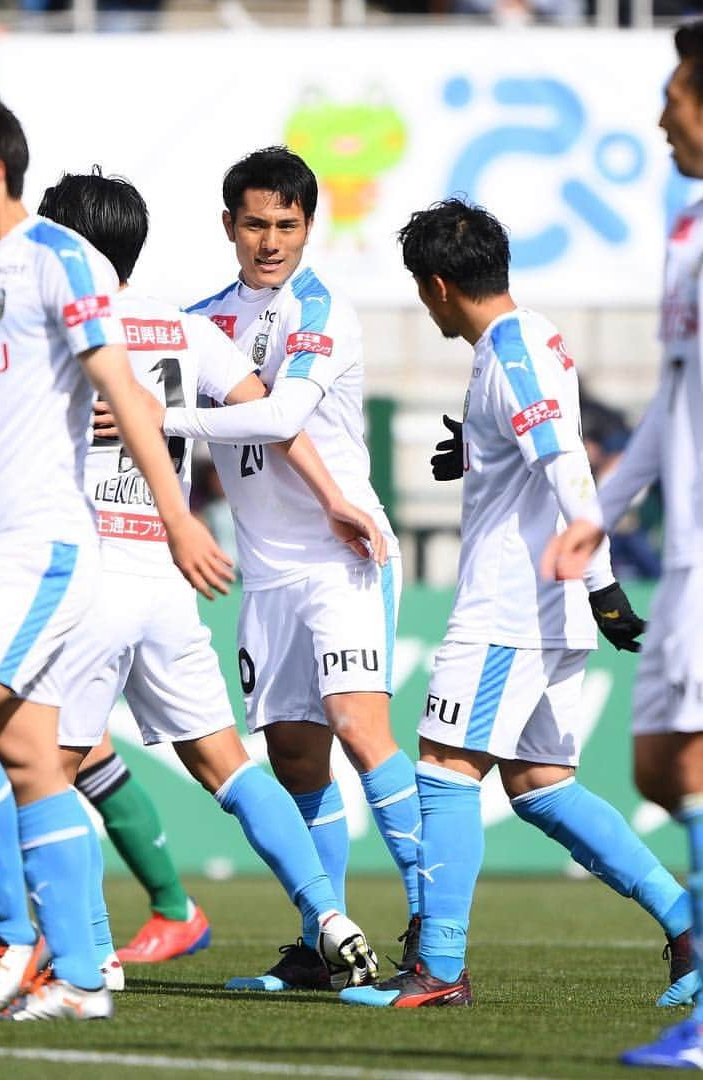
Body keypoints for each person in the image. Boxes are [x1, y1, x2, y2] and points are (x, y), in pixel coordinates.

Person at [0, 89, 231, 1022]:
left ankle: (15, 939)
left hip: (45, 550)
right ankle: (85, 974)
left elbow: (125, 395)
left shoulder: (61, 261)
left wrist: (180, 518)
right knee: (30, 757)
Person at [39, 168, 382, 992]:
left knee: (43, 772)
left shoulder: (55, 325)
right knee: (231, 765)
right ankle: (327, 914)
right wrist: (334, 495)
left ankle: (86, 960)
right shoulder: (178, 328)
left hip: (84, 577)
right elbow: (268, 406)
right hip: (166, 569)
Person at [340, 197, 687, 1010]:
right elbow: (539, 443)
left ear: (435, 286)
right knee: (539, 783)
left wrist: (602, 585)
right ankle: (686, 925)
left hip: (513, 606)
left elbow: (566, 464)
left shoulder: (512, 352)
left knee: (444, 766)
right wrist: (482, 446)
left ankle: (439, 971)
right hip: (541, 606)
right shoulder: (525, 342)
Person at [160, 146, 419, 989]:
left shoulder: (324, 307)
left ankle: (432, 928)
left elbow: (280, 415)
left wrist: (164, 414)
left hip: (344, 552)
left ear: (309, 226)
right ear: (228, 224)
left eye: (287, 224)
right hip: (264, 572)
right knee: (296, 762)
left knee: (358, 724)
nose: (270, 241)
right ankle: (324, 941)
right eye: (255, 223)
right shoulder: (200, 321)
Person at [545, 22, 703, 1067]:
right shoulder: (687, 234)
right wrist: (607, 503)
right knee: (663, 768)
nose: (661, 116)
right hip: (684, 545)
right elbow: (672, 396)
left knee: (688, 761)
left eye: (676, 94)